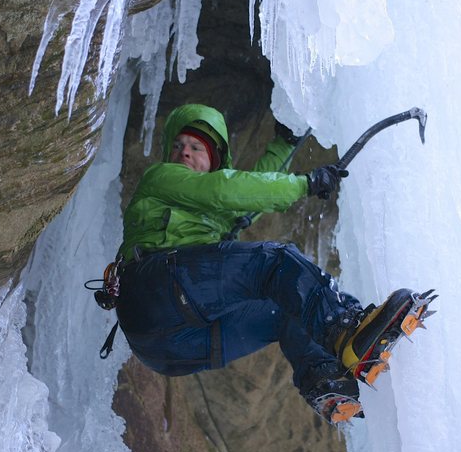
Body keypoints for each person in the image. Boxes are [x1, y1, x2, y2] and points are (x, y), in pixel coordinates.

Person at [112, 103, 429, 423]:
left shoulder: (213, 214)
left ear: (214, 160)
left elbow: (249, 190)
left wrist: (285, 143)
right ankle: (343, 326)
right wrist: (305, 183)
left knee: (289, 309)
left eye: (196, 147)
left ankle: (325, 380)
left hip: (170, 349)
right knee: (276, 262)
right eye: (179, 146)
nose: (184, 152)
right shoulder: (161, 178)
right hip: (153, 292)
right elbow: (225, 189)